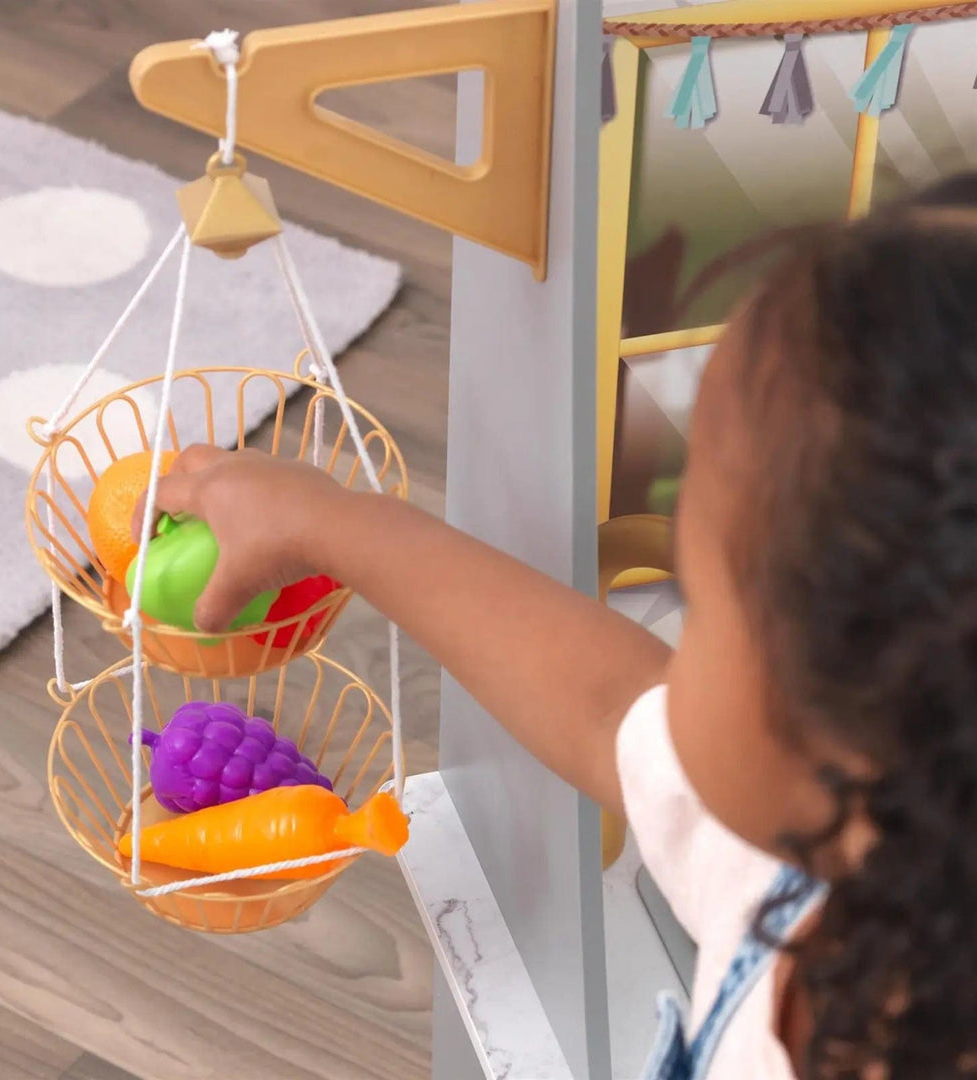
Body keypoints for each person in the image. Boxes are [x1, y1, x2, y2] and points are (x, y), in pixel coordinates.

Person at [135, 175, 977, 1079]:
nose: (667, 651)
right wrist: (332, 524)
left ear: (847, 726)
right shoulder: (842, 847)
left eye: (696, 599)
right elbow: (605, 704)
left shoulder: (818, 852)